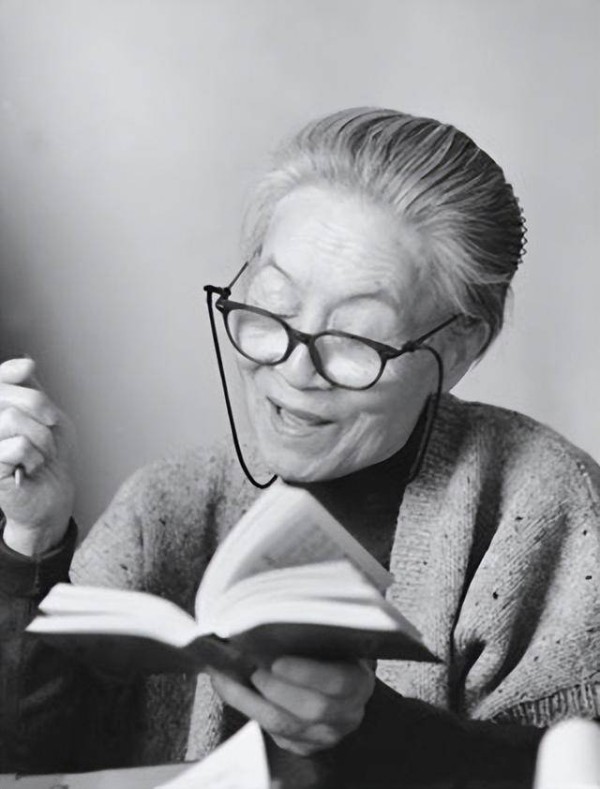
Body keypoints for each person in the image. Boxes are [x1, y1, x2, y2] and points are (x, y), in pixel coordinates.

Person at [0, 108, 598, 787]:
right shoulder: (164, 503)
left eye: (355, 340)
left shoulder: (543, 504)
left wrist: (374, 732)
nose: (293, 369)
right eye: (272, 311)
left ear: (457, 351)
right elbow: (30, 765)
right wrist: (31, 543)